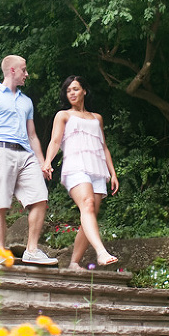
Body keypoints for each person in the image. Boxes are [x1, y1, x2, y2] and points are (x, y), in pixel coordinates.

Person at [0, 55, 58, 266]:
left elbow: (32, 135)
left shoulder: (26, 101)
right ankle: (1, 252)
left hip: (26, 154)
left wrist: (42, 162)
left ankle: (31, 250)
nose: (27, 74)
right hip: (0, 150)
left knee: (40, 198)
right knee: (0, 205)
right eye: (24, 70)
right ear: (12, 70)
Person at [42, 75, 119, 272]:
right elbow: (55, 141)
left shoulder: (97, 118)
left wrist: (113, 173)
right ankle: (101, 252)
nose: (72, 93)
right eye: (68, 91)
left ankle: (74, 263)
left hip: (98, 169)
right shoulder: (63, 115)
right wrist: (47, 161)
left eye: (75, 89)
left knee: (89, 213)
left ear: (84, 90)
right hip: (75, 165)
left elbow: (104, 147)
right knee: (87, 204)